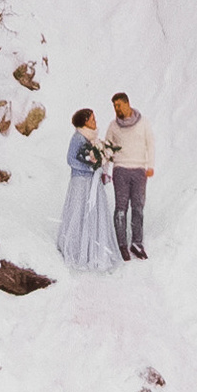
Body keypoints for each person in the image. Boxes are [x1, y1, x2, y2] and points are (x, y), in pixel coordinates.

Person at [56, 108, 123, 272]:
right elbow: (71, 159)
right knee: (80, 212)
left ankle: (93, 250)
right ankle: (79, 249)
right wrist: (91, 168)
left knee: (93, 213)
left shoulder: (91, 138)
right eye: (92, 119)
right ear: (84, 121)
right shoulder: (78, 137)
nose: (95, 121)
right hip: (81, 182)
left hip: (92, 182)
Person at [105, 91, 152, 261]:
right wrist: (105, 170)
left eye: (118, 105)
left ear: (127, 103)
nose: (116, 108)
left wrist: (150, 166)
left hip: (139, 169)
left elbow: (150, 143)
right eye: (114, 106)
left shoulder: (143, 123)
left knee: (138, 208)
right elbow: (107, 148)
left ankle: (137, 243)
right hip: (121, 171)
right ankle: (122, 244)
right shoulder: (113, 126)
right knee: (121, 209)